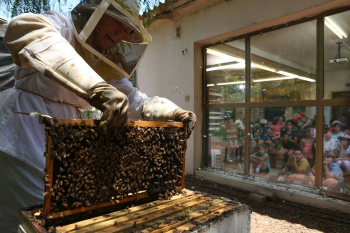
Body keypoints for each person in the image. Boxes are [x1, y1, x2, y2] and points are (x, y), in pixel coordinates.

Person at [0, 1, 196, 231]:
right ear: (97, 11)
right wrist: (96, 89)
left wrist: (172, 112)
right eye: (118, 21)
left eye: (127, 30)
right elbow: (23, 28)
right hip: (23, 133)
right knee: (31, 217)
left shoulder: (104, 61)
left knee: (58, 218)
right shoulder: (62, 27)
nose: (120, 33)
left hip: (63, 145)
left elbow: (135, 101)